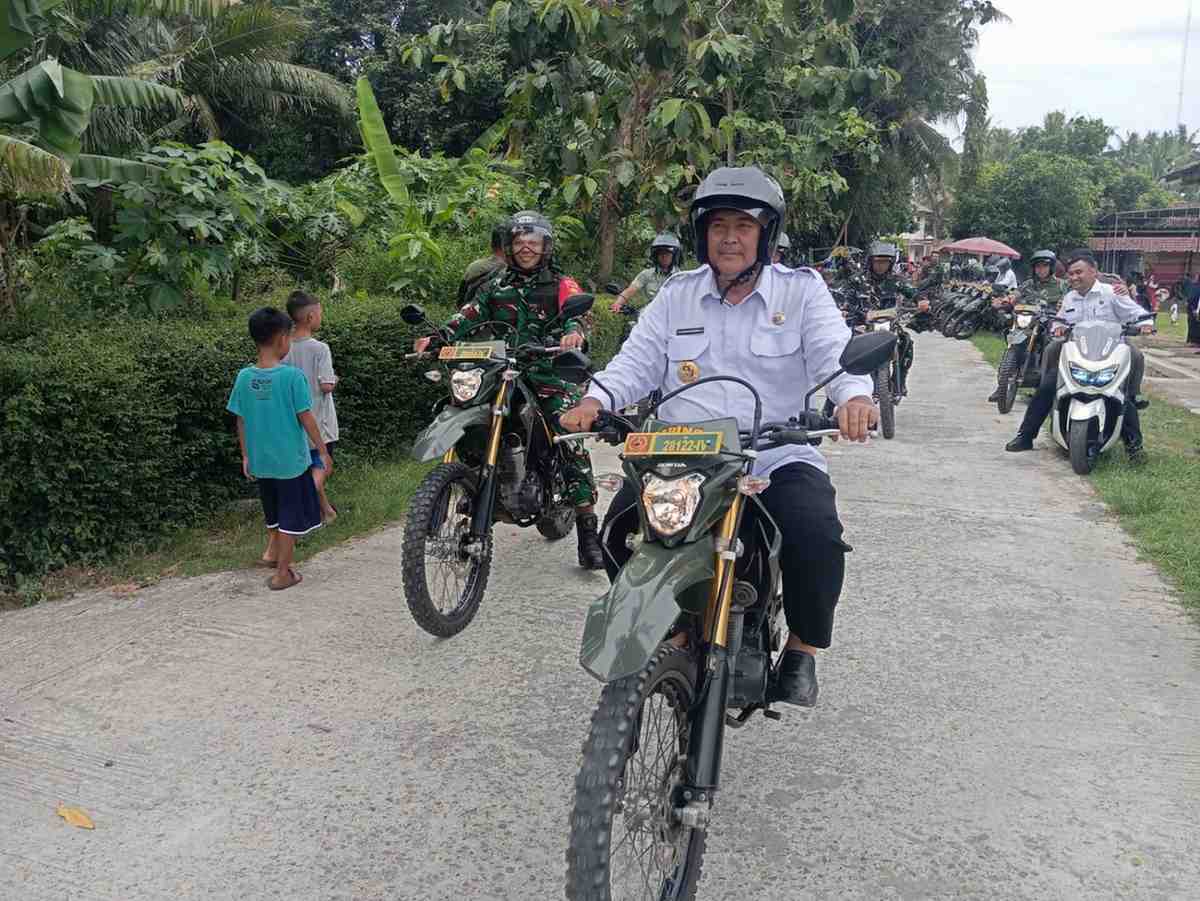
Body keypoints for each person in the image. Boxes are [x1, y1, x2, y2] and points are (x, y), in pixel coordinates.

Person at [559, 166, 879, 707]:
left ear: (765, 234)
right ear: (701, 234)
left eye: (744, 225)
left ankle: (803, 650)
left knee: (816, 536)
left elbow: (833, 354)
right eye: (718, 225)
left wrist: (854, 397)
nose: (729, 237)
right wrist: (596, 401)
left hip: (773, 453)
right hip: (684, 455)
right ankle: (679, 637)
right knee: (618, 532)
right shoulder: (677, 295)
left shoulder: (802, 292)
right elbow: (635, 363)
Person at [413, 211, 604, 569]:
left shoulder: (562, 283)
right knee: (459, 404)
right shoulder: (495, 285)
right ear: (510, 248)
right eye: (519, 243)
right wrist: (437, 336)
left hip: (547, 372)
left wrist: (573, 333)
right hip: (501, 369)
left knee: (568, 435)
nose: (526, 248)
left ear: (545, 247)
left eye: (533, 242)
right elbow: (468, 314)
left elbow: (577, 314)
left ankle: (587, 531)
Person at [1005, 251, 1152, 461]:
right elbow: (1060, 320)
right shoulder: (1069, 297)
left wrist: (1145, 325)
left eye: (1079, 272)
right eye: (1071, 274)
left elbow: (1137, 313)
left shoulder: (1112, 293)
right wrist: (1057, 328)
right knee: (1047, 386)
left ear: (1094, 271)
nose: (1074, 277)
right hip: (1078, 354)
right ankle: (1025, 436)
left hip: (1108, 353)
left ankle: (1135, 448)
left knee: (1121, 393)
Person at [227, 307, 332, 591]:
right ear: (282, 339)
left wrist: (246, 455)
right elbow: (307, 418)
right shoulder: (292, 378)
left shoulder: (244, 377)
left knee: (273, 511)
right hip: (291, 462)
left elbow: (241, 419)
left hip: (262, 462)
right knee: (290, 516)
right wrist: (322, 451)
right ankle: (283, 573)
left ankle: (273, 556)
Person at [283, 291, 339, 523]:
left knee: (307, 467)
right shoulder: (320, 349)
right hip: (319, 421)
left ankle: (325, 512)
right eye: (319, 313)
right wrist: (335, 379)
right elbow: (326, 385)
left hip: (292, 421)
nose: (320, 317)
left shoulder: (283, 347)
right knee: (323, 466)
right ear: (310, 317)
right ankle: (300, 504)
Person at [986, 250, 1068, 402]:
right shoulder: (1029, 284)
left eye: (1044, 266)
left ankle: (1044, 387)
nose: (1041, 269)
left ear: (1051, 268)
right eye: (1038, 266)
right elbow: (1016, 294)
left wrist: (1063, 304)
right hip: (1029, 323)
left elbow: (1071, 299)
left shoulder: (1062, 285)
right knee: (1015, 344)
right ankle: (1002, 386)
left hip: (1049, 324)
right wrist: (1006, 300)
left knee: (1050, 347)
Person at [864, 241, 928, 394]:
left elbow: (911, 291)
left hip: (889, 322)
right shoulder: (859, 280)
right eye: (878, 262)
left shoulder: (896, 280)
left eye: (885, 262)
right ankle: (831, 404)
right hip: (863, 324)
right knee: (846, 349)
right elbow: (843, 292)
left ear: (891, 263)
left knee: (906, 342)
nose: (881, 266)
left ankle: (900, 380)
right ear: (870, 261)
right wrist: (842, 307)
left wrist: (921, 300)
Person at [610, 233, 682, 312]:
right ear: (656, 256)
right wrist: (618, 303)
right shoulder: (647, 274)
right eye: (661, 253)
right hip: (650, 316)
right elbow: (631, 290)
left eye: (667, 253)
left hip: (674, 316)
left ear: (674, 256)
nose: (664, 256)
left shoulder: (680, 276)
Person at [458, 221, 509, 308]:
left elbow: (461, 299)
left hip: (469, 316)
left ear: (491, 244)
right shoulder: (511, 271)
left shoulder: (474, 266)